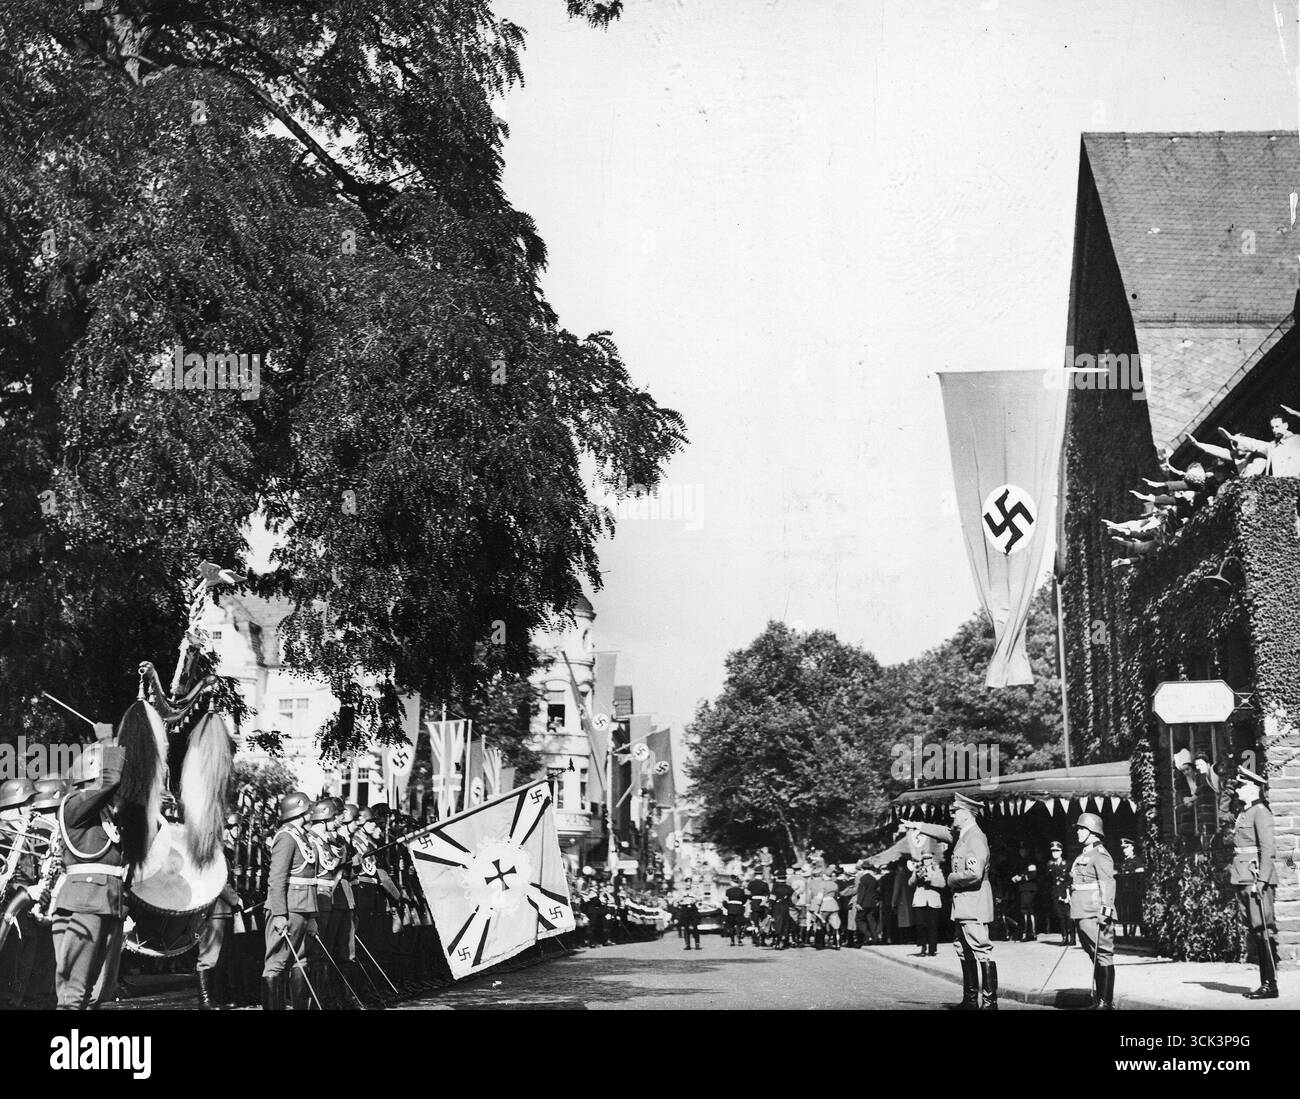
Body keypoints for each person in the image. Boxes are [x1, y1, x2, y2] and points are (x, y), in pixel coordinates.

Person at [51, 744, 129, 1010]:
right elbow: (112, 781)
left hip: (106, 901)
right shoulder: (74, 805)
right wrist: (111, 743)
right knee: (75, 990)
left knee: (95, 993)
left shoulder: (104, 816)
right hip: (86, 901)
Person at [261, 790, 319, 1010]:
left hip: (303, 908)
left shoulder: (301, 836)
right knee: (277, 963)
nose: (311, 812)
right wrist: (279, 914)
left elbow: (310, 879)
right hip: (288, 908)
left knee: (300, 961)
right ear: (300, 810)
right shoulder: (285, 836)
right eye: (308, 809)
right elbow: (276, 878)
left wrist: (312, 915)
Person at [1231, 767, 1279, 1000]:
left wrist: (1262, 881)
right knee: (1255, 929)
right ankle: (1266, 982)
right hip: (1243, 876)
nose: (1237, 789)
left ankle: (1270, 984)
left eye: (1241, 785)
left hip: (1255, 877)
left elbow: (1269, 849)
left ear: (1253, 787)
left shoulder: (1260, 811)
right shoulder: (1244, 812)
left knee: (1263, 930)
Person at [946, 792, 995, 1010]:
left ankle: (989, 1001)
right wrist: (919, 826)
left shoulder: (975, 837)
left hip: (973, 903)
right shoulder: (965, 836)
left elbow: (973, 873)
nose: (952, 815)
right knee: (963, 949)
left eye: (954, 812)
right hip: (964, 904)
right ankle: (970, 1000)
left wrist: (951, 879)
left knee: (980, 949)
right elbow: (943, 833)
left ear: (966, 814)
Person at [194, 812, 242, 1009]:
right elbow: (219, 881)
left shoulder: (222, 852)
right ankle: (205, 1000)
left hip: (223, 911)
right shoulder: (213, 852)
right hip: (214, 909)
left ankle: (215, 997)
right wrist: (235, 899)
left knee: (221, 956)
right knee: (208, 956)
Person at [1069, 812, 1116, 1010]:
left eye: (1082, 829)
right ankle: (1098, 999)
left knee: (1103, 954)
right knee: (1094, 955)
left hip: (1094, 913)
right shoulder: (1085, 854)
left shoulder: (1100, 854)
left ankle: (1106, 1002)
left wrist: (1105, 912)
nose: (1078, 832)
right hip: (1082, 911)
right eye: (1078, 828)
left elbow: (1108, 884)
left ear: (1093, 831)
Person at [1220, 412, 1300, 476]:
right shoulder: (1272, 446)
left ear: (1286, 425)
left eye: (1277, 426)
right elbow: (1255, 444)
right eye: (1272, 427)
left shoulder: (1297, 439)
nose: (1274, 430)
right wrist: (1233, 438)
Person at [908, 836, 944, 957]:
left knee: (933, 926)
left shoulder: (937, 869)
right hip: (920, 901)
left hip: (933, 901)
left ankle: (932, 949)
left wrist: (931, 879)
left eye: (929, 858)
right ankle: (923, 947)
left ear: (932, 859)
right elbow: (910, 883)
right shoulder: (918, 869)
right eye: (925, 858)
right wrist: (916, 875)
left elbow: (943, 883)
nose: (927, 860)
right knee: (920, 925)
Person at [1116, 838, 1145, 939]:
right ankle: (1126, 933)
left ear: (1132, 847)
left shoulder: (1137, 860)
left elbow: (1139, 877)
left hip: (1134, 892)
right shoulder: (1124, 862)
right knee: (1125, 912)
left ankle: (1134, 932)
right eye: (1123, 848)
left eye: (1126, 847)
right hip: (1124, 891)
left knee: (1135, 912)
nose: (1124, 850)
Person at [1045, 841, 1073, 946]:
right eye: (1053, 851)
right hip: (1056, 892)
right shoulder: (1050, 864)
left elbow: (1070, 879)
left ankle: (1072, 938)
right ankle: (1064, 937)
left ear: (1061, 852)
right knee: (1060, 916)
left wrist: (1068, 893)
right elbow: (1048, 879)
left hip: (1066, 892)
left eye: (1057, 851)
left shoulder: (1067, 864)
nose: (1055, 853)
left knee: (1069, 916)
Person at [1010, 843, 1039, 942]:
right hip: (1022, 889)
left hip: (1029, 889)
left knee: (1027, 911)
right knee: (1025, 911)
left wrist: (1020, 878)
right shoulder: (1020, 862)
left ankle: (1029, 933)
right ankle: (1027, 933)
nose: (1022, 852)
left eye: (1024, 850)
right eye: (1020, 850)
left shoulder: (1030, 862)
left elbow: (1032, 875)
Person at [854, 862, 881, 946]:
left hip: (864, 903)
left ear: (862, 869)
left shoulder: (863, 879)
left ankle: (867, 935)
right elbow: (877, 891)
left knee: (859, 920)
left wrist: (858, 903)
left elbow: (861, 892)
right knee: (871, 920)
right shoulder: (874, 879)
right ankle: (875, 938)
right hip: (872, 903)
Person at [770, 870, 794, 949]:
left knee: (777, 924)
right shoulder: (789, 888)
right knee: (785, 924)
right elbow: (796, 897)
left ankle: (777, 941)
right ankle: (783, 940)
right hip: (785, 906)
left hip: (776, 907)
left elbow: (772, 899)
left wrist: (770, 908)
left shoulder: (775, 888)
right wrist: (790, 904)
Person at [676, 882, 701, 950]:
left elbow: (700, 898)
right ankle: (687, 945)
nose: (687, 885)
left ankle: (697, 944)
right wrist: (681, 899)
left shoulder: (695, 891)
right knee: (686, 927)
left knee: (695, 927)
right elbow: (677, 900)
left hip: (693, 909)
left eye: (688, 884)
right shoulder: (681, 892)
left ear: (691, 884)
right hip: (685, 909)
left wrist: (694, 898)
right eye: (686, 884)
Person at [724, 875, 747, 947]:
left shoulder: (728, 891)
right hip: (739, 909)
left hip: (730, 909)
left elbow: (724, 901)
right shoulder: (742, 891)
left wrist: (727, 907)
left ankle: (732, 941)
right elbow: (744, 900)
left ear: (732, 882)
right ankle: (739, 940)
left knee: (731, 925)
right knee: (739, 925)